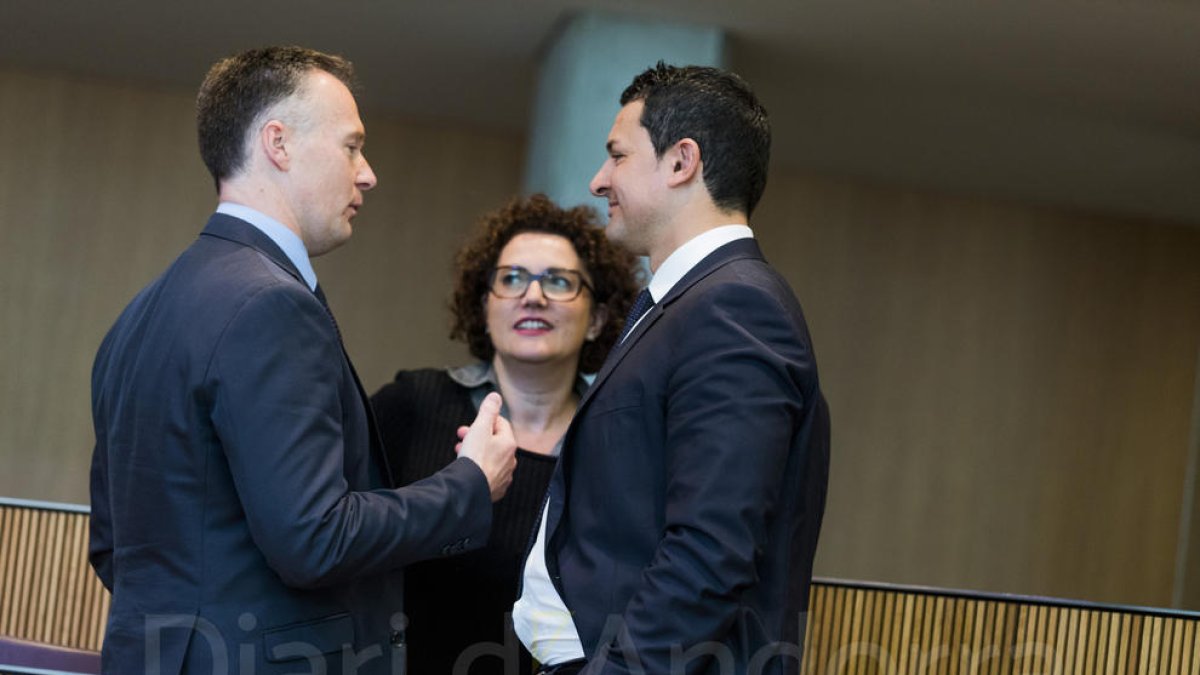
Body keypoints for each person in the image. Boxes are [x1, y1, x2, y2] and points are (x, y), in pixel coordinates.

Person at [88, 46, 517, 675]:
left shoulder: (136, 317)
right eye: (352, 147)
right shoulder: (271, 306)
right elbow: (315, 539)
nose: (367, 173)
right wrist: (469, 483)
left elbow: (115, 549)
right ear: (278, 144)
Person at [512, 63, 831, 675]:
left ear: (682, 162)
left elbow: (711, 548)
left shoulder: (735, 306)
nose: (599, 180)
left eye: (618, 156)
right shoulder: (688, 302)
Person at [371, 194, 639, 675]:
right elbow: (347, 544)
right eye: (511, 278)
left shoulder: (619, 444)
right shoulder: (412, 404)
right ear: (484, 304)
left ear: (597, 318)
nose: (532, 296)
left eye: (558, 282)